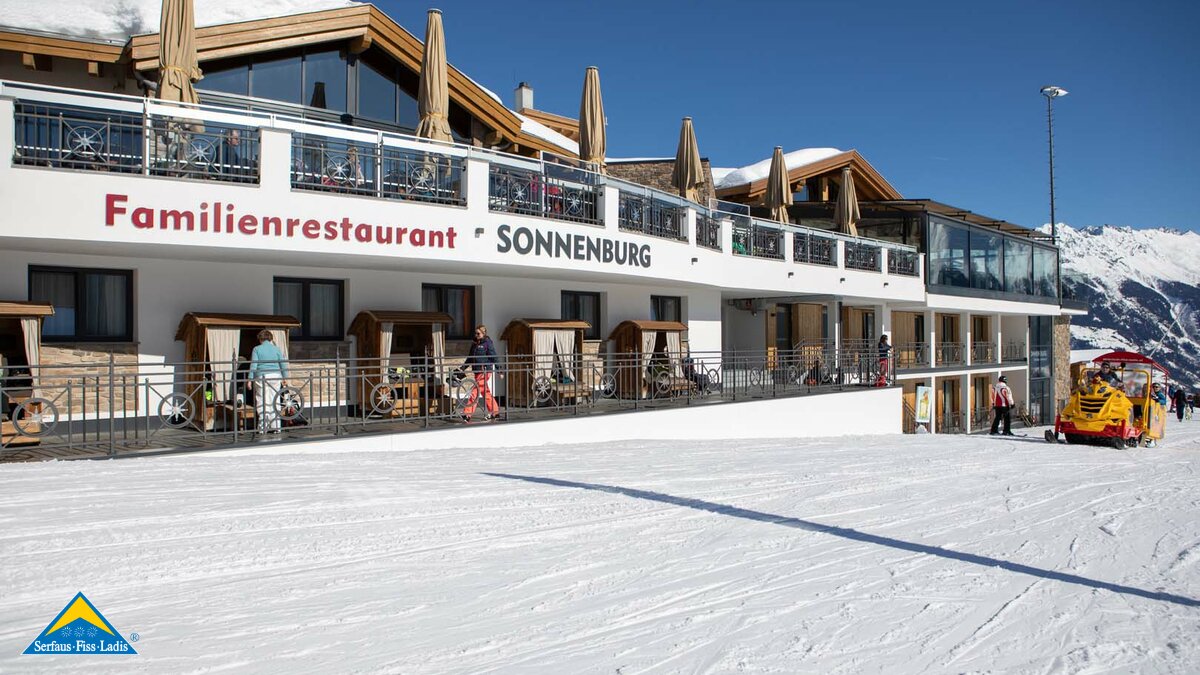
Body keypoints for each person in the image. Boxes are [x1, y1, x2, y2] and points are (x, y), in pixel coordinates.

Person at [249, 329, 288, 434]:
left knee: (262, 401)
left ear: (260, 339)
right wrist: (285, 378)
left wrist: (250, 379)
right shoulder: (276, 349)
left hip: (262, 377)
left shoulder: (256, 349)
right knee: (275, 400)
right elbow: (283, 364)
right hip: (275, 376)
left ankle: (263, 427)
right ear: (270, 339)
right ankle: (277, 427)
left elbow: (253, 365)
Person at [461, 324, 501, 421]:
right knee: (485, 392)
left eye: (478, 333)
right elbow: (470, 358)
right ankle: (495, 412)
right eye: (475, 333)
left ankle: (467, 414)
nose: (476, 335)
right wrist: (462, 368)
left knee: (474, 392)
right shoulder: (474, 343)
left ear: (484, 333)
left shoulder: (487, 343)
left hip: (484, 371)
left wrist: (499, 370)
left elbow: (494, 356)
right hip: (477, 371)